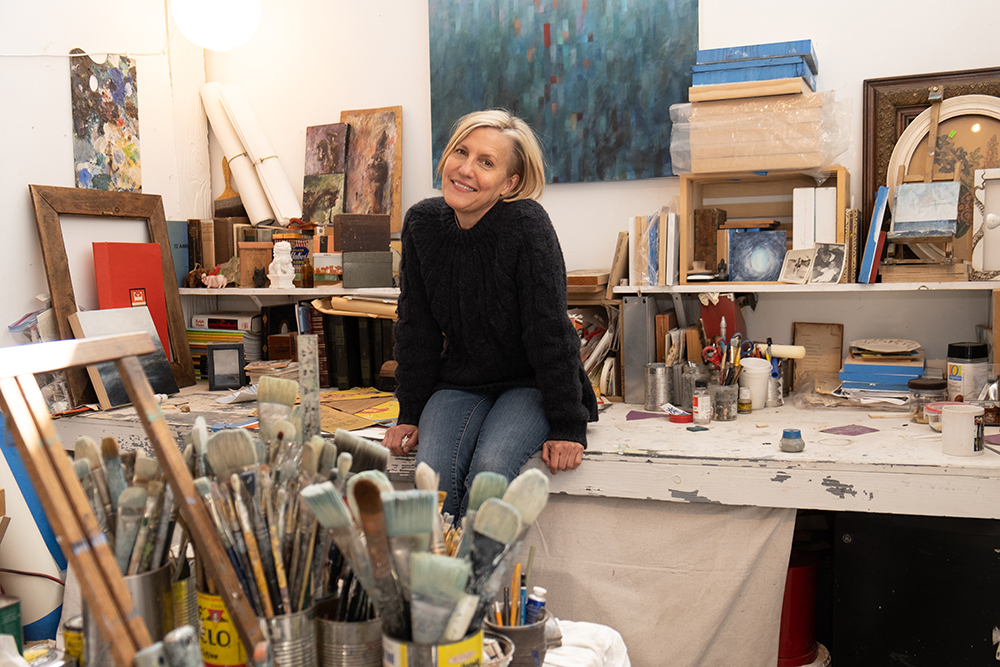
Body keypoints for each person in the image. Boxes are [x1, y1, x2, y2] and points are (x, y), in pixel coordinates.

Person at [382, 109, 599, 517]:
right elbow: (416, 327)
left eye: (486, 162)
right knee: (431, 479)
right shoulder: (421, 224)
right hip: (460, 382)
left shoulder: (527, 226)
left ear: (509, 182)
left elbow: (550, 332)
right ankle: (441, 579)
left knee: (490, 471)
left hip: (528, 383)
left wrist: (569, 426)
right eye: (460, 152)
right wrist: (408, 412)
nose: (465, 169)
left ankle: (481, 577)